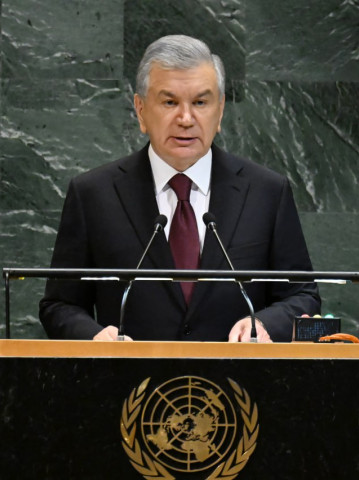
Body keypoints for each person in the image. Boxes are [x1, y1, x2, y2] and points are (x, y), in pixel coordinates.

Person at [39, 34, 320, 343]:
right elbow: (59, 305)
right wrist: (94, 337)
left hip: (235, 372)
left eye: (200, 102)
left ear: (220, 111)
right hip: (130, 373)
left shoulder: (266, 192)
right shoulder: (94, 194)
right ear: (141, 110)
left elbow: (302, 295)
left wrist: (264, 324)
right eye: (170, 102)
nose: (186, 119)